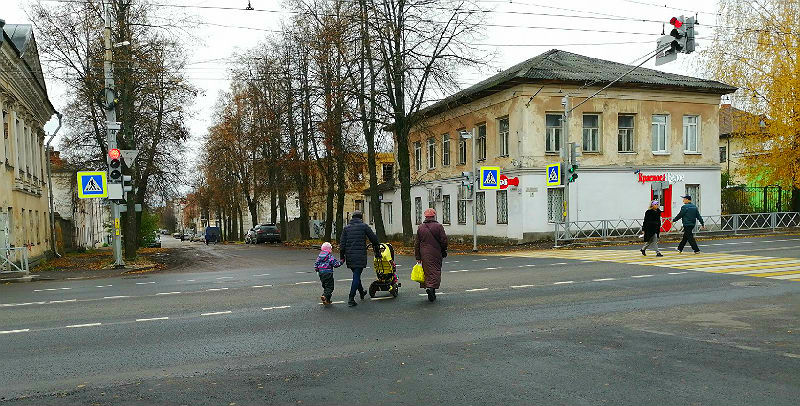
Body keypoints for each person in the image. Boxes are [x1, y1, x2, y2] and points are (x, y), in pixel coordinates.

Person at [339, 211, 380, 307]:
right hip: (360, 254)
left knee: (356, 274)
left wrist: (342, 256)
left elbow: (342, 244)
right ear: (360, 218)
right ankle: (351, 298)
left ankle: (361, 292)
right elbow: (374, 239)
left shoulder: (346, 228)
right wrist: (376, 248)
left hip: (349, 255)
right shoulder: (364, 226)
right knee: (356, 276)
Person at [415, 208, 448, 302]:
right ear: (434, 216)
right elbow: (444, 240)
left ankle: (429, 288)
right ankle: (431, 289)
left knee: (427, 271)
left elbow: (417, 243)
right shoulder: (439, 226)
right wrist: (444, 250)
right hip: (436, 252)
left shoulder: (420, 227)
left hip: (424, 253)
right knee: (435, 270)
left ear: (425, 216)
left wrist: (418, 256)